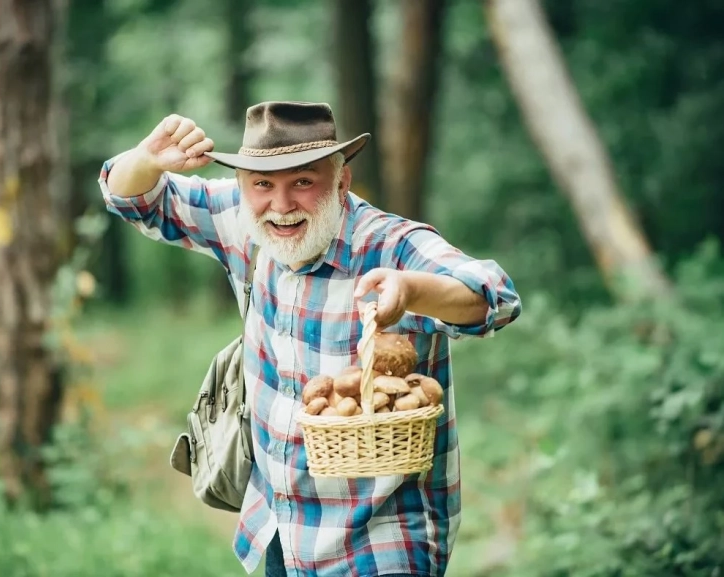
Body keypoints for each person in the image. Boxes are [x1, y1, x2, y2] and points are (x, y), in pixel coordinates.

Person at [98, 101, 522, 577]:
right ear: (243, 187)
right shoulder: (245, 222)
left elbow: (494, 299)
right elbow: (131, 197)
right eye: (262, 184)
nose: (280, 206)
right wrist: (148, 158)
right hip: (281, 529)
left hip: (382, 540)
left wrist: (412, 290)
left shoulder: (392, 245)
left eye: (303, 181)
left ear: (342, 181)